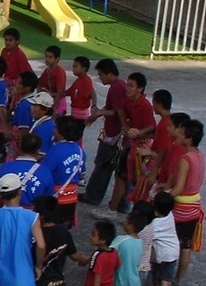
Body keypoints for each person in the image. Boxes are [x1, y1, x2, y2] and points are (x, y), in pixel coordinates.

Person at [95, 71, 155, 221]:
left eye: (131, 86)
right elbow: (120, 110)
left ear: (140, 89)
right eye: (127, 85)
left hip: (141, 146)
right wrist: (125, 126)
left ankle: (115, 210)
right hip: (132, 144)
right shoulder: (129, 101)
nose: (127, 88)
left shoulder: (144, 105)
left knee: (129, 178)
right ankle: (121, 208)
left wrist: (139, 132)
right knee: (123, 176)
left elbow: (152, 127)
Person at [84, 59, 127, 209]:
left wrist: (99, 113)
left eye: (101, 75)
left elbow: (116, 111)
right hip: (118, 133)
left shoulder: (116, 88)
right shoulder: (120, 85)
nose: (100, 77)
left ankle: (93, 196)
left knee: (102, 165)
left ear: (109, 74)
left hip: (114, 133)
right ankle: (123, 203)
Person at [167, 118, 204, 286]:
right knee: (186, 246)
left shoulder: (185, 158)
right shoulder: (199, 155)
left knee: (171, 243)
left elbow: (179, 188)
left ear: (189, 139)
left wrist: (163, 198)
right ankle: (178, 281)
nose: (178, 135)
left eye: (182, 134)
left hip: (181, 208)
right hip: (194, 207)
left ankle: (165, 281)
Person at [0, 133, 54, 208]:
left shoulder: (5, 167)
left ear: (19, 148)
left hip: (8, 213)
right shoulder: (45, 172)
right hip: (34, 214)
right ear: (38, 151)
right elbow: (48, 201)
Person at [146, 191, 179, 286]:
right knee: (166, 280)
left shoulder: (154, 225)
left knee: (157, 279)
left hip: (161, 255)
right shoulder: (170, 215)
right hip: (173, 252)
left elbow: (147, 237)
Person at [66, 55, 94, 121]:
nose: (73, 69)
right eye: (73, 66)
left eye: (75, 67)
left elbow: (92, 93)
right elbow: (68, 92)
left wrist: (94, 106)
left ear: (83, 69)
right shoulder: (77, 81)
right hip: (75, 114)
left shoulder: (86, 80)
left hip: (81, 116)